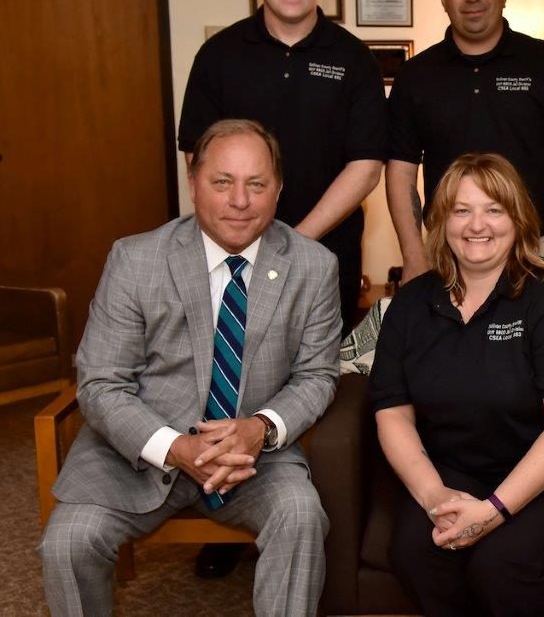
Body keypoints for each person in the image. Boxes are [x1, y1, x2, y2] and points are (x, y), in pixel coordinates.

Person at [39, 120, 342, 616]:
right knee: (68, 542)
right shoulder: (136, 259)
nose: (239, 200)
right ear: (194, 182)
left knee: (301, 516)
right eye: (222, 182)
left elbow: (317, 376)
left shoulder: (314, 266)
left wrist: (261, 429)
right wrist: (174, 447)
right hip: (136, 451)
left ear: (279, 189)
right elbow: (101, 382)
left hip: (252, 459)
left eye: (256, 184)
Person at [370, 153, 544, 616]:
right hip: (456, 466)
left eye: (493, 209)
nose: (476, 225)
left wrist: (492, 512)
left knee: (501, 562)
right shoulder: (412, 305)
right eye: (461, 210)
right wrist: (434, 495)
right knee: (417, 551)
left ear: (518, 219)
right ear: (441, 221)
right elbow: (393, 413)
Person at [178, 0, 386, 339]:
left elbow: (365, 165)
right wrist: (250, 234)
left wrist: (294, 242)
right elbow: (199, 159)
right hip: (231, 253)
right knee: (232, 367)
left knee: (319, 381)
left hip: (325, 254)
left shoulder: (354, 58)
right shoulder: (218, 55)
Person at [386, 0, 544, 293]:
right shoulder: (416, 75)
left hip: (534, 250)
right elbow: (401, 170)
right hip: (448, 252)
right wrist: (413, 253)